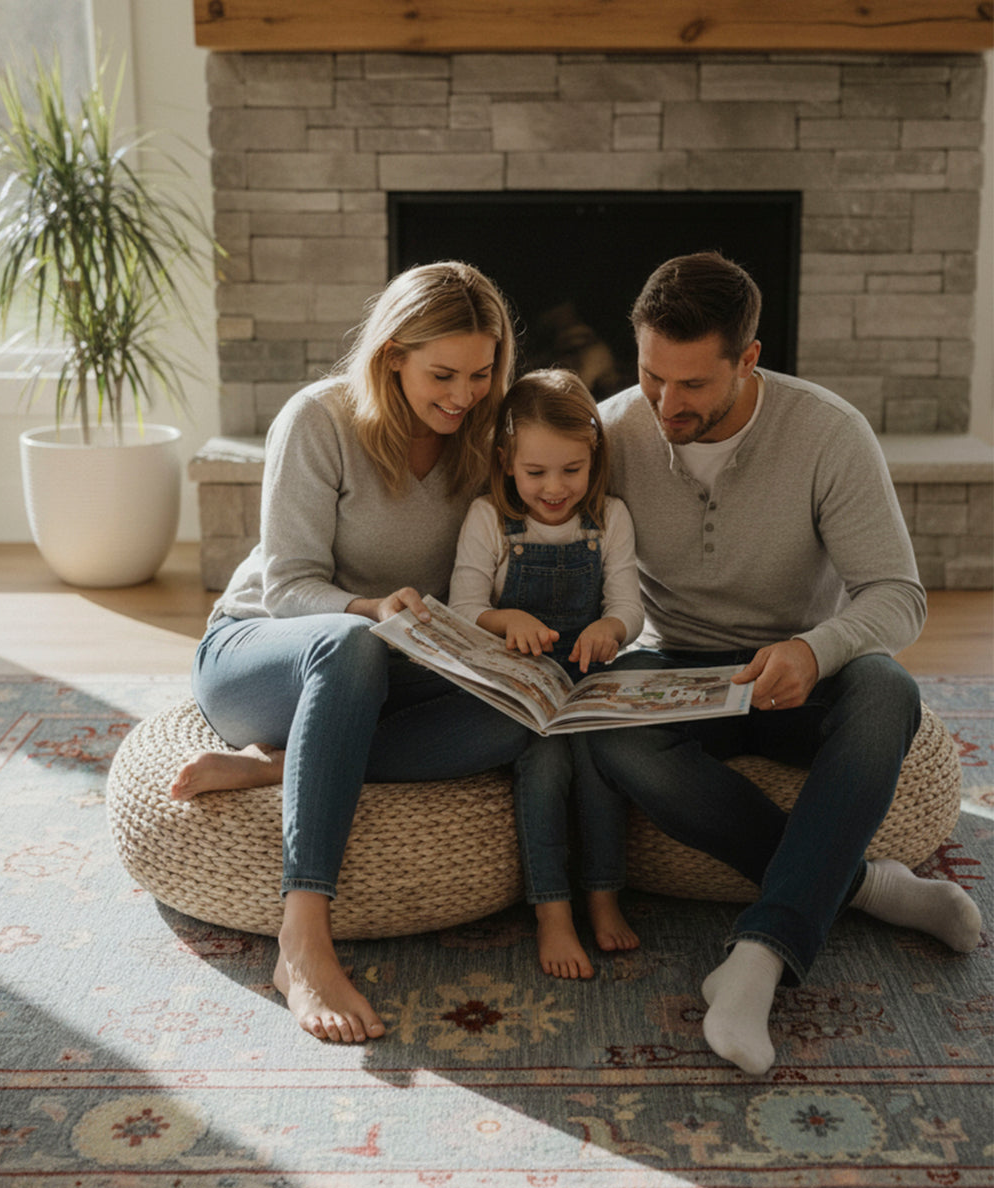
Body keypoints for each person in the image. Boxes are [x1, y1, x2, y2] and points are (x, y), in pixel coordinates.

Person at [589, 250, 981, 1075]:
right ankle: (867, 887)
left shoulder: (828, 432)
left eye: (693, 384)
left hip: (805, 673)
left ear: (748, 360)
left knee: (886, 687)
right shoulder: (614, 430)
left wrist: (817, 647)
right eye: (653, 376)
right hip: (686, 667)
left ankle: (759, 957)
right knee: (609, 729)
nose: (666, 403)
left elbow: (896, 595)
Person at [170, 261, 531, 1044]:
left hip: (391, 663)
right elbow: (288, 586)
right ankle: (301, 934)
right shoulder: (318, 420)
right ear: (392, 354)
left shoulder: (485, 434)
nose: (463, 394)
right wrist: (369, 609)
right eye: (442, 374)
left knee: (524, 713)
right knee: (348, 644)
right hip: (264, 650)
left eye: (481, 372)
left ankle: (282, 763)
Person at [448, 369, 645, 979]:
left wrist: (610, 630)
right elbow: (462, 609)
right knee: (546, 767)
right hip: (522, 687)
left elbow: (630, 608)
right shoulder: (488, 519)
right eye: (536, 473)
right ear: (506, 462)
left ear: (594, 459)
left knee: (602, 763)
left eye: (571, 470)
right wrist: (506, 620)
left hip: (588, 678)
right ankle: (554, 913)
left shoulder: (609, 518)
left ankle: (603, 896)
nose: (555, 489)